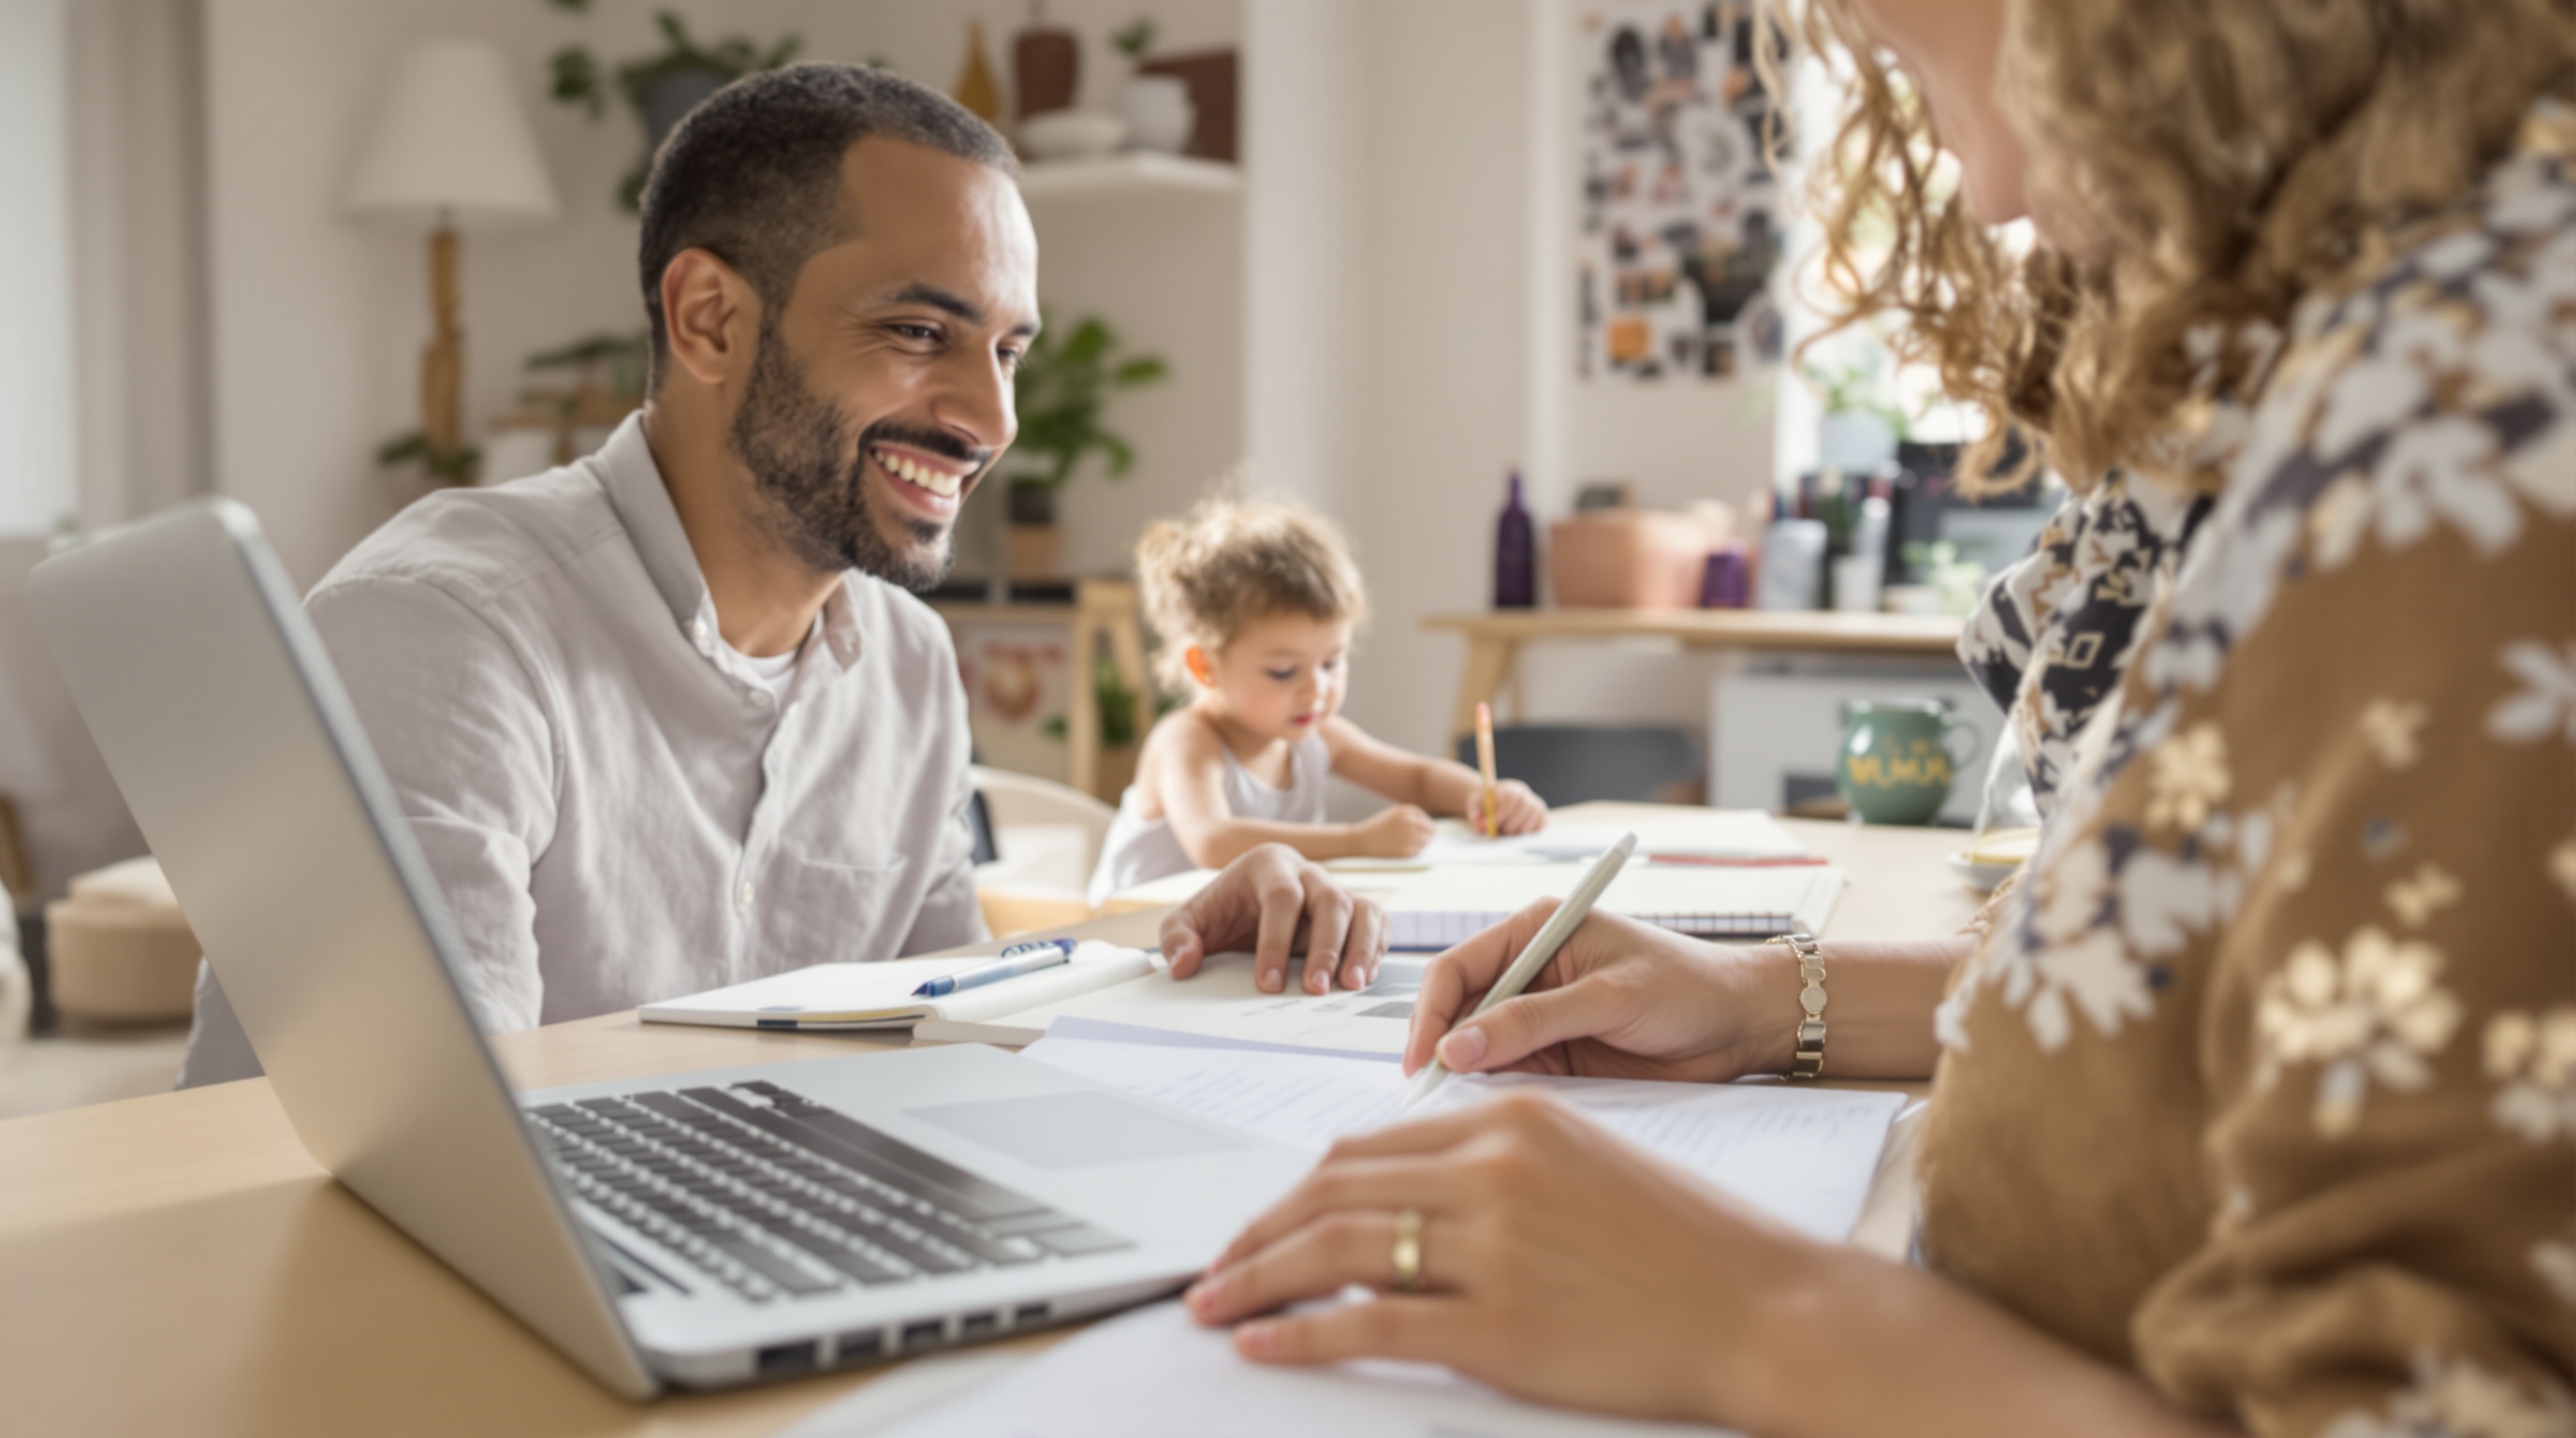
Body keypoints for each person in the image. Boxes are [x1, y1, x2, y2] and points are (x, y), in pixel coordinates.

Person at [1184, 2, 2576, 1434]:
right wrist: (1749, 1003)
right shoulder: (2391, 347)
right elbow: (2195, 972)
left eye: (1921, 63)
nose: (1993, 196)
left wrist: (1764, 1319)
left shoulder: (2482, 421)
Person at [177, 66, 1369, 1085]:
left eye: (1007, 351)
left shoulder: (903, 662)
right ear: (708, 320)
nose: (989, 417)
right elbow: (423, 1153)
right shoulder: (443, 632)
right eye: (917, 333)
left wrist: (1173, 939)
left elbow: (949, 1023)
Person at [1085, 497, 1548, 972]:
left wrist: (1487, 795)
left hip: (1231, 948)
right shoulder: (1187, 739)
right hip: (1130, 943)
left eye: (1332, 661)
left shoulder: (1316, 736)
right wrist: (1356, 839)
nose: (1317, 689)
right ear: (1205, 666)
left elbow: (1417, 779)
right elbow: (1214, 842)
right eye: (1284, 671)